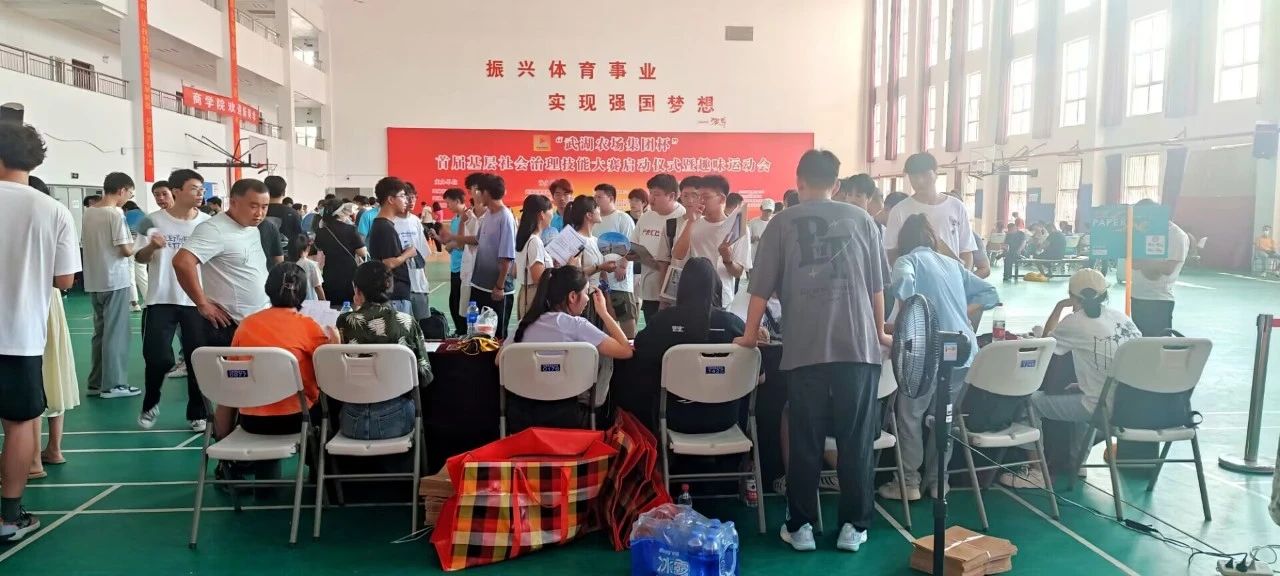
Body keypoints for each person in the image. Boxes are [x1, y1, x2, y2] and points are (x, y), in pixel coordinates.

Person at [735, 149, 890, 553]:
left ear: (799, 181)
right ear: (836, 185)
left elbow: (759, 289)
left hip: (805, 350)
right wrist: (877, 331)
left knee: (805, 439)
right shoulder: (863, 220)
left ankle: (801, 526)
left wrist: (749, 335)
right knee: (856, 440)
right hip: (858, 349)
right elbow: (877, 286)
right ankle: (853, 527)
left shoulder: (780, 223)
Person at [880, 214, 998, 503]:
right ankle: (939, 481)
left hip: (926, 349)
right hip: (961, 348)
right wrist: (959, 313)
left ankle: (908, 482)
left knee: (911, 416)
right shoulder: (953, 264)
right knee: (943, 416)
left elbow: (903, 283)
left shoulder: (906, 261)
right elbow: (990, 292)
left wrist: (911, 317)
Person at [0, 122, 80, 543]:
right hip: (20, 337)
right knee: (18, 424)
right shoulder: (53, 210)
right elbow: (65, 280)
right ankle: (9, 517)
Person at [996, 268, 1141, 489]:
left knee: (1029, 403)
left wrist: (1058, 308)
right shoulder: (1122, 318)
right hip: (1133, 406)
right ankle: (1078, 462)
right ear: (1105, 294)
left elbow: (1044, 344)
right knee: (1083, 393)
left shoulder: (1076, 321)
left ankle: (1037, 472)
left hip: (1103, 407)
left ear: (1072, 297)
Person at [217, 263, 337, 441]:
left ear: (268, 289)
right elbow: (330, 375)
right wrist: (335, 342)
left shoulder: (245, 326)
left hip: (251, 421)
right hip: (298, 419)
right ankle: (322, 457)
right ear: (303, 293)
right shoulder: (310, 327)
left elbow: (232, 378)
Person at [507, 266, 633, 432]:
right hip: (568, 419)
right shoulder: (577, 326)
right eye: (586, 293)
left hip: (523, 419)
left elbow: (499, 361)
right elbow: (626, 350)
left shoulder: (524, 323)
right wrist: (603, 312)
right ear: (572, 296)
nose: (588, 299)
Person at [634, 257, 749, 433]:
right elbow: (759, 377)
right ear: (716, 286)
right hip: (725, 418)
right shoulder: (732, 324)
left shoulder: (664, 321)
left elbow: (640, 347)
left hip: (676, 418)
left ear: (682, 287)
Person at [135, 169, 212, 431]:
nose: (200, 193)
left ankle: (197, 412)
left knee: (197, 359)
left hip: (196, 300)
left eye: (201, 189)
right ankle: (150, 403)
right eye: (194, 188)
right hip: (161, 298)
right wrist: (152, 247)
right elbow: (139, 258)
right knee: (157, 357)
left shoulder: (208, 223)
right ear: (176, 191)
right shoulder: (151, 221)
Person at [335, 262, 434, 440]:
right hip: (396, 420)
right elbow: (424, 375)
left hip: (351, 421)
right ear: (389, 288)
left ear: (357, 290)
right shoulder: (407, 322)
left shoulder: (344, 322)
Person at [172, 179, 272, 350]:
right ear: (233, 203)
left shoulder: (252, 228)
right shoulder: (214, 229)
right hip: (229, 325)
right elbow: (182, 262)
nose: (260, 213)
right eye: (253, 206)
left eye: (264, 207)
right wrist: (203, 304)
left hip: (257, 321)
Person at [23, 176, 78, 483]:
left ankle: (31, 459)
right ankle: (53, 449)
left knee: (29, 378)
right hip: (51, 301)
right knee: (53, 373)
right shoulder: (55, 216)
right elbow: (65, 279)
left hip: (28, 302)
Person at [82, 172, 141, 399]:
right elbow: (125, 250)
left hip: (95, 281)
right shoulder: (115, 213)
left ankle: (96, 383)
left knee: (101, 333)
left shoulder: (89, 212)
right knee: (116, 334)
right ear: (122, 190)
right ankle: (114, 385)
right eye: (130, 194)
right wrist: (142, 242)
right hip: (115, 280)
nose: (128, 198)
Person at [442, 174, 517, 338]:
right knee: (479, 335)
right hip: (480, 286)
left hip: (496, 289)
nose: (475, 194)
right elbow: (477, 239)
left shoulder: (505, 217)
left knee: (496, 338)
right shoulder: (489, 214)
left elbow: (507, 257)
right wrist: (453, 237)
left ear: (486, 193)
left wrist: (500, 286)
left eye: (478, 191)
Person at [672, 174, 750, 310]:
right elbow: (678, 255)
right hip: (692, 295)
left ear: (722, 199)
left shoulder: (737, 227)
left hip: (721, 299)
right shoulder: (691, 223)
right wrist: (690, 222)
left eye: (706, 197)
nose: (701, 201)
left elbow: (738, 273)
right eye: (699, 196)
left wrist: (727, 260)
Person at [885, 153, 977, 267]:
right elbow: (892, 253)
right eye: (914, 176)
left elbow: (966, 250)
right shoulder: (899, 211)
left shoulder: (956, 206)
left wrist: (964, 275)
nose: (920, 181)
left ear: (936, 174)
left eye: (925, 174)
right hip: (916, 276)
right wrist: (906, 273)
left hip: (951, 275)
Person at [632, 174, 686, 324]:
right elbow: (634, 243)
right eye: (650, 193)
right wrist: (632, 254)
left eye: (656, 194)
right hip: (650, 291)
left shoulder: (683, 217)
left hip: (675, 294)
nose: (651, 199)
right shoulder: (646, 217)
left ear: (672, 196)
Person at [1130, 199, 1189, 336]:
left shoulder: (1175, 234)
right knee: (1139, 340)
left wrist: (1144, 260)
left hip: (1158, 299)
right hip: (1137, 296)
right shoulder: (1141, 231)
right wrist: (1150, 262)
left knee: (1158, 343)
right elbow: (1133, 263)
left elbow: (1167, 269)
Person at [365, 177, 418, 315]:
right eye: (402, 196)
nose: (406, 200)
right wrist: (408, 253)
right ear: (391, 199)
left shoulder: (384, 225)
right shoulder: (385, 227)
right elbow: (388, 263)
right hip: (394, 295)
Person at [592, 183, 638, 337]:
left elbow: (631, 244)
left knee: (625, 315)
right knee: (605, 317)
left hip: (619, 279)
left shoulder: (622, 218)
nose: (596, 200)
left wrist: (623, 266)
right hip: (600, 279)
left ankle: (630, 346)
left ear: (611, 198)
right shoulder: (595, 219)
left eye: (599, 197)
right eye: (595, 197)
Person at [314, 199, 367, 308]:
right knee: (350, 307)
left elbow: (319, 249)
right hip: (349, 274)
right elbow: (362, 252)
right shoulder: (351, 229)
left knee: (332, 308)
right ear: (341, 212)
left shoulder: (321, 231)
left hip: (330, 274)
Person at [395, 182, 432, 321]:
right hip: (399, 288)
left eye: (414, 197)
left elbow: (422, 255)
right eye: (407, 197)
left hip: (419, 286)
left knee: (423, 325)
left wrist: (424, 280)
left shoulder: (416, 221)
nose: (411, 201)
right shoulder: (390, 222)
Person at [515, 194, 553, 317]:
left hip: (526, 294)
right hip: (535, 296)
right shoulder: (535, 241)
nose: (552, 214)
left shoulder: (526, 238)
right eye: (550, 210)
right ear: (542, 214)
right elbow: (538, 278)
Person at [441, 188, 469, 335]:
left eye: (448, 203)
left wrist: (452, 245)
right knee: (454, 302)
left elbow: (463, 243)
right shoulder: (454, 219)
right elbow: (453, 241)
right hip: (454, 266)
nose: (447, 206)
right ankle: (459, 330)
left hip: (464, 268)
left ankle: (463, 331)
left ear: (457, 201)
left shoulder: (468, 217)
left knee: (461, 303)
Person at [263, 175, 303, 254]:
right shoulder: (293, 213)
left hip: (263, 257)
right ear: (284, 192)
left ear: (265, 191)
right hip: (288, 256)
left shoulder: (259, 211)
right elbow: (299, 238)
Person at [123, 199, 147, 311]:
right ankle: (148, 300)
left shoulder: (125, 216)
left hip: (130, 247)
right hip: (142, 248)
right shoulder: (143, 215)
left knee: (130, 274)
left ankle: (134, 303)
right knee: (142, 275)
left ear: (126, 209)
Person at [288, 234, 325, 302]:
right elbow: (318, 287)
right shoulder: (311, 265)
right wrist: (324, 304)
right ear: (307, 248)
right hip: (310, 304)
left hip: (293, 304)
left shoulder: (286, 266)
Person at [747, 199, 775, 263]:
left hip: (769, 256)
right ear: (761, 208)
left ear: (773, 211)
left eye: (769, 211)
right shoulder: (752, 222)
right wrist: (753, 238)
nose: (767, 213)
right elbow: (746, 240)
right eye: (766, 210)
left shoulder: (774, 223)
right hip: (754, 256)